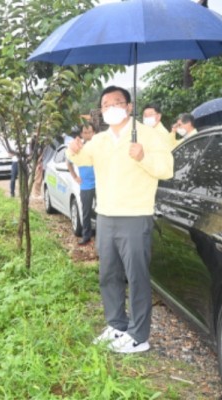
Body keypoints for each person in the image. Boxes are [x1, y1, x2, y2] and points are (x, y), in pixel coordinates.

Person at [67, 86, 173, 354]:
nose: (111, 107)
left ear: (128, 106)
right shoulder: (101, 140)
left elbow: (167, 170)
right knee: (109, 274)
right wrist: (74, 149)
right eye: (105, 104)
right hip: (106, 216)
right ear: (101, 111)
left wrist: (143, 156)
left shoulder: (148, 136)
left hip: (135, 216)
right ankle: (116, 324)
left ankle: (139, 335)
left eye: (117, 102)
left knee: (137, 277)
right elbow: (82, 158)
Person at [66, 122, 96, 245]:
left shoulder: (98, 146)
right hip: (86, 185)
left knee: (102, 212)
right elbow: (68, 162)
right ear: (81, 134)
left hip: (101, 185)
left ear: (94, 133)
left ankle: (103, 237)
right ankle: (86, 236)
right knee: (86, 211)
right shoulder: (77, 148)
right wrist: (75, 176)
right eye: (85, 132)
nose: (87, 134)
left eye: (90, 132)